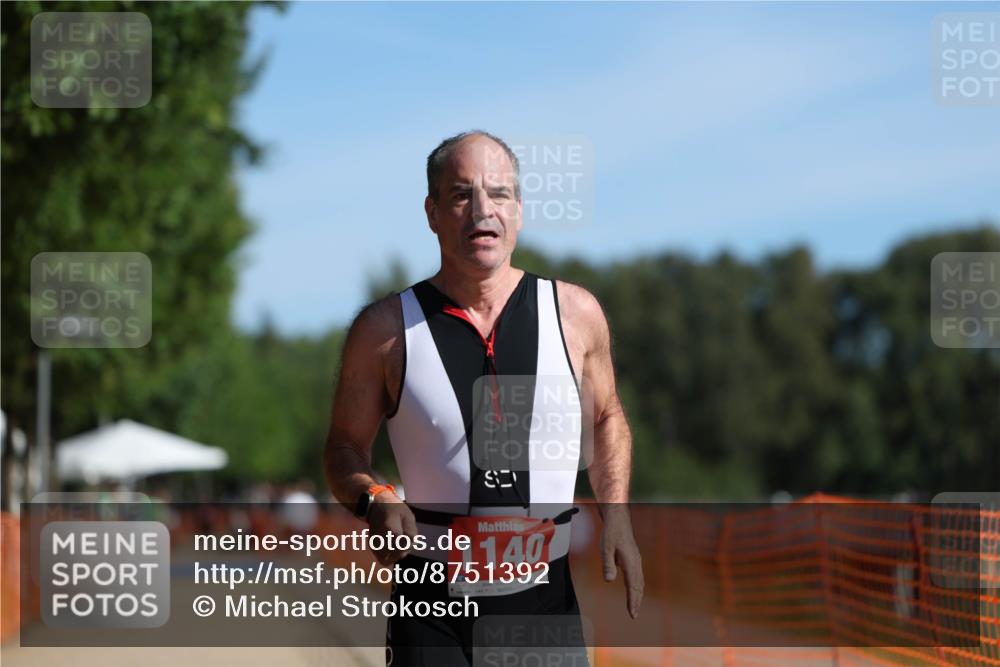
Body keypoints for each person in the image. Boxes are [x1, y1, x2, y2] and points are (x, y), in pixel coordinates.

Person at [324, 130, 643, 666]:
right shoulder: (384, 330)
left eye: (498, 194)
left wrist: (617, 514)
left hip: (545, 607)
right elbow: (342, 448)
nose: (481, 210)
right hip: (430, 610)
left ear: (517, 209)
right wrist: (372, 496)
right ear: (432, 212)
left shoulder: (575, 314)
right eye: (460, 194)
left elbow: (608, 415)